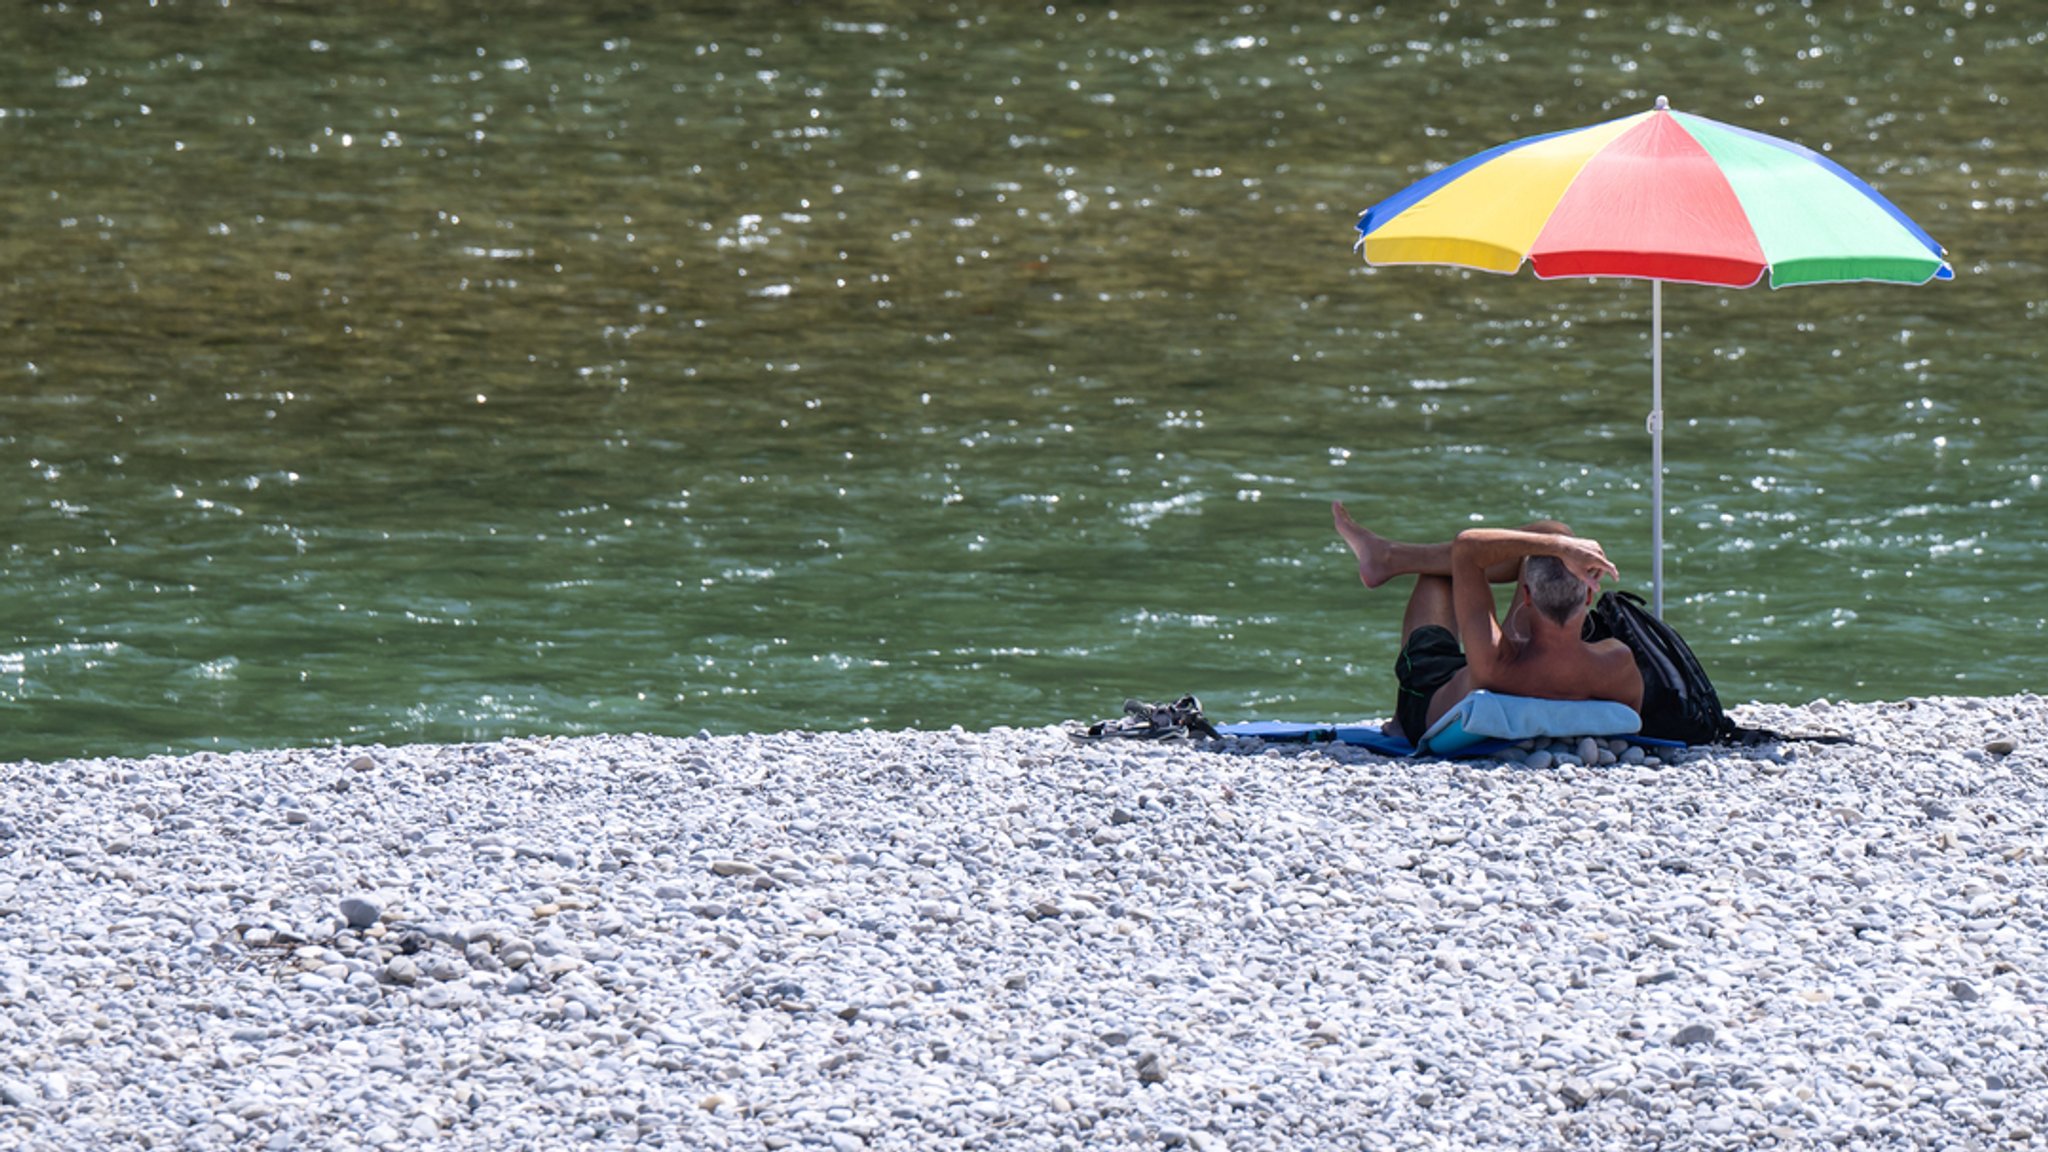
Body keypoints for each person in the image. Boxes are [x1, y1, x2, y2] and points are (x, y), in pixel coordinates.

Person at [1331, 502, 1644, 741]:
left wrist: (1558, 546)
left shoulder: (1497, 657)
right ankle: (1386, 557)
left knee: (1438, 577)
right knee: (1550, 529)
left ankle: (1388, 558)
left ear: (1526, 596)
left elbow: (1467, 548)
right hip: (1518, 674)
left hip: (1432, 697)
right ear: (1588, 598)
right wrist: (1556, 542)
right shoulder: (1617, 664)